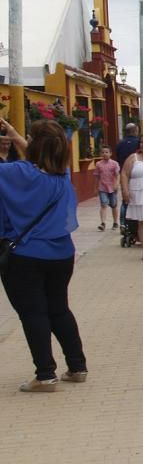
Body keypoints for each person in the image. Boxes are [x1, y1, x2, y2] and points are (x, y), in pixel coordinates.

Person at [0, 119, 88, 392]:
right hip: (61, 254)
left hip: (25, 254)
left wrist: (11, 143)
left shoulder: (16, 172)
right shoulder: (60, 175)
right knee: (59, 309)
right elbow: (43, 157)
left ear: (35, 146)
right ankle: (77, 367)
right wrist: (15, 136)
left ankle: (45, 374)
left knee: (33, 313)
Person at [93, 145, 120, 231]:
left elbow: (117, 175)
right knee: (103, 205)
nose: (105, 154)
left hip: (112, 188)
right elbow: (96, 176)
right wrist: (95, 187)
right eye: (103, 152)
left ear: (110, 153)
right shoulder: (98, 164)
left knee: (114, 205)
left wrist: (117, 184)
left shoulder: (114, 164)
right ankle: (103, 223)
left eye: (106, 152)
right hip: (102, 188)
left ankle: (115, 222)